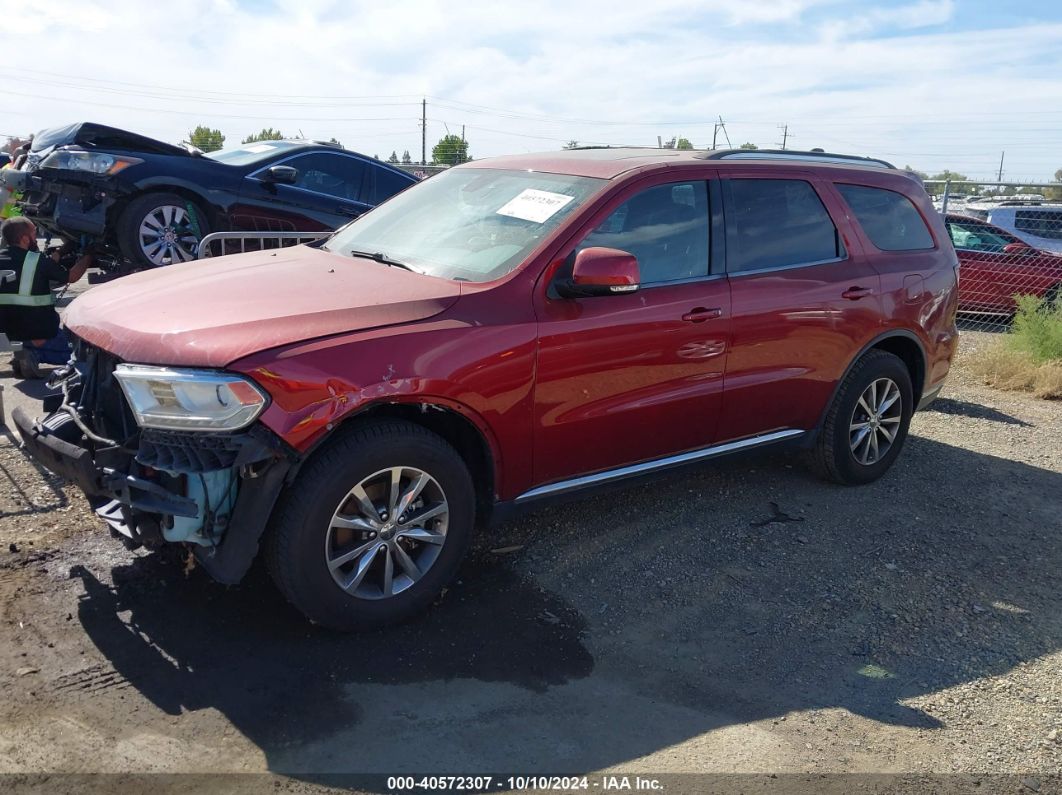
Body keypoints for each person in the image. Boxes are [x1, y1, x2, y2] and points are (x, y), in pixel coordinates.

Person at [0, 216, 91, 378]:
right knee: (86, 354)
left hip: (6, 332)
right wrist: (89, 256)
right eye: (34, 235)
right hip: (37, 332)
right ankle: (34, 354)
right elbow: (72, 276)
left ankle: (22, 352)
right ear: (24, 238)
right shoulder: (36, 261)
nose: (36, 239)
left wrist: (61, 251)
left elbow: (40, 267)